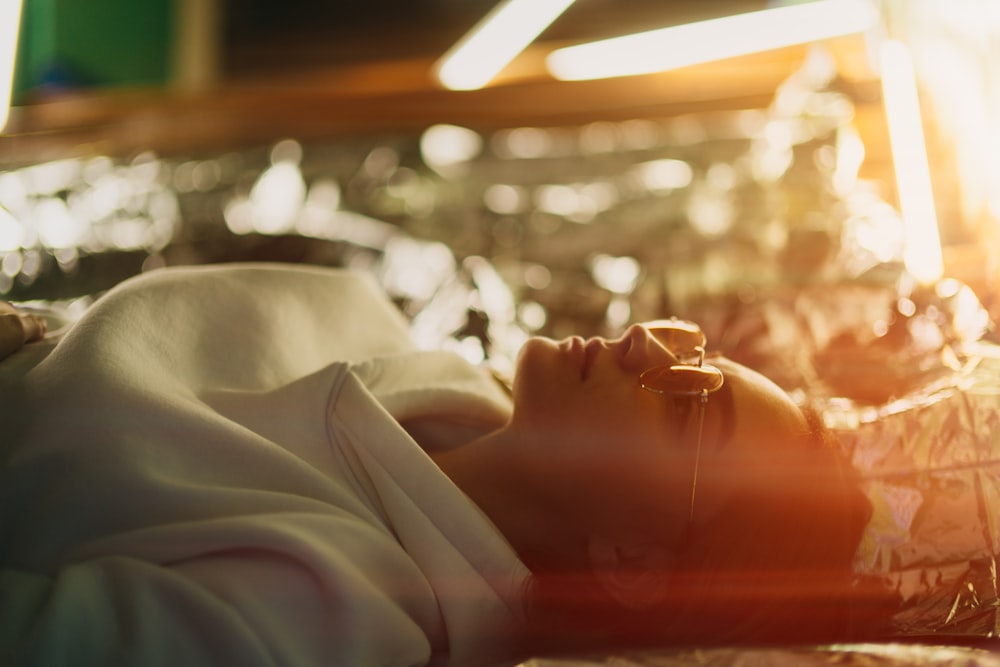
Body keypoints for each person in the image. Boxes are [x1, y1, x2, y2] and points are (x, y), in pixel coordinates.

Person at [0, 262, 873, 667]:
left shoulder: (330, 617)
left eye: (688, 403)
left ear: (631, 560)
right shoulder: (375, 324)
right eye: (694, 349)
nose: (649, 339)